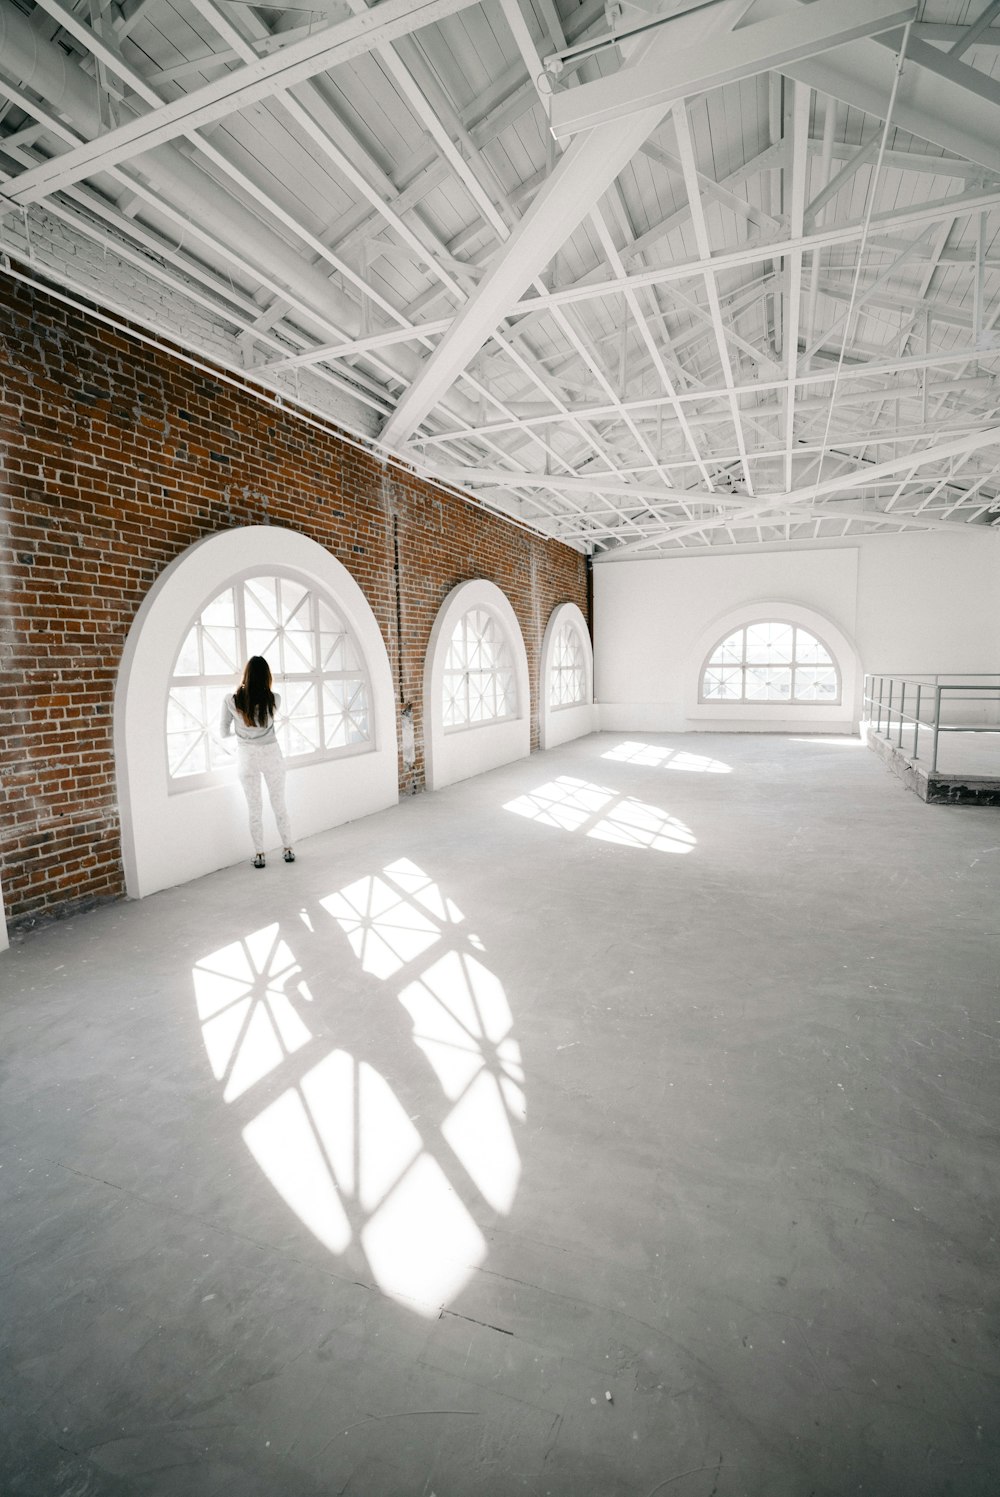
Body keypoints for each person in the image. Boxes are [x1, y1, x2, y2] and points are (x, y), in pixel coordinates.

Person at [220, 655, 295, 869]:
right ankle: (288, 849)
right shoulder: (275, 699)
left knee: (254, 808)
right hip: (271, 754)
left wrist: (242, 729)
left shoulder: (231, 700)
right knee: (279, 803)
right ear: (267, 677)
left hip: (247, 757)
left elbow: (223, 732)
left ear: (246, 675)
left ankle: (260, 854)